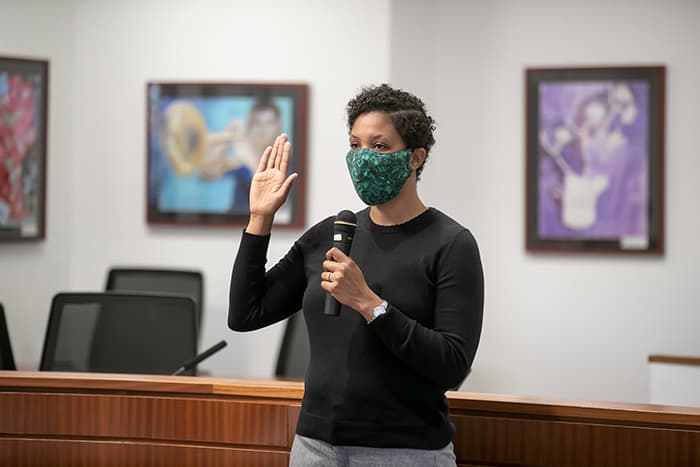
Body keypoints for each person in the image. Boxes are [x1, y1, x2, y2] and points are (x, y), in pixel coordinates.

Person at [228, 83, 484, 467]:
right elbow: (246, 314)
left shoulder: (451, 244)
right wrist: (260, 219)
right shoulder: (330, 233)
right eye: (355, 145)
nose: (363, 158)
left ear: (415, 157)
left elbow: (452, 365)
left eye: (379, 147)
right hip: (315, 446)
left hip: (405, 450)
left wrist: (370, 304)